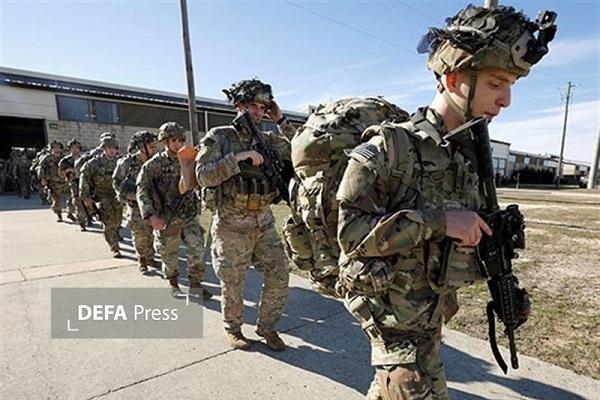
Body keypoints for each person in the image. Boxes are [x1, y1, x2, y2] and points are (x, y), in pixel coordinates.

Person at [335, 5, 556, 399]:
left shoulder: (467, 155)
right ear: (453, 78)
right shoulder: (390, 147)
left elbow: (471, 234)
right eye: (496, 83)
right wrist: (439, 222)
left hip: (431, 317)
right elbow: (351, 234)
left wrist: (503, 282)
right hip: (393, 322)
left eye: (510, 86)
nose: (506, 100)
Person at [195, 79, 295, 351]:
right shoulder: (220, 137)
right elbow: (202, 175)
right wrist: (238, 158)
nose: (258, 112)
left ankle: (267, 327)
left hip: (263, 223)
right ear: (238, 106)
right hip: (231, 226)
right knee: (233, 283)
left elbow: (303, 149)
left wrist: (282, 120)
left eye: (263, 107)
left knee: (279, 272)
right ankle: (233, 328)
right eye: (253, 105)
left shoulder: (269, 139)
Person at [136, 122, 211, 299]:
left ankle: (195, 284)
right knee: (169, 255)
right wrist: (151, 215)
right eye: (173, 140)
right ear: (165, 141)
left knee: (197, 250)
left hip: (189, 215)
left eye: (180, 140)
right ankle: (173, 283)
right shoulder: (154, 164)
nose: (177, 144)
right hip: (167, 217)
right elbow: (142, 189)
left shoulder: (190, 159)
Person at [113, 131, 161, 274]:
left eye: (155, 146)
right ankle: (142, 259)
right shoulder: (127, 163)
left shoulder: (156, 161)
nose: (154, 149)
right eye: (151, 146)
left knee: (151, 234)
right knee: (140, 235)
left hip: (154, 205)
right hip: (135, 206)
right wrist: (131, 196)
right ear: (141, 147)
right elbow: (116, 182)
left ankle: (150, 257)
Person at [80, 132, 124, 257]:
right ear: (104, 148)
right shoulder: (94, 163)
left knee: (117, 220)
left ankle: (114, 234)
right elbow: (84, 178)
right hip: (101, 195)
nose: (112, 150)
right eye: (109, 148)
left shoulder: (121, 162)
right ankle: (114, 247)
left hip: (117, 195)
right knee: (108, 221)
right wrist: (86, 197)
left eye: (114, 148)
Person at [38, 141, 68, 221]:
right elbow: (41, 168)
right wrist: (43, 179)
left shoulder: (65, 158)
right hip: (53, 182)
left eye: (58, 147)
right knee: (55, 200)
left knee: (73, 197)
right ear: (51, 149)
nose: (57, 149)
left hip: (65, 181)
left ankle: (71, 212)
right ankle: (59, 214)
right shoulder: (47, 158)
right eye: (54, 147)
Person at [59, 139, 84, 226]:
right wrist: (67, 170)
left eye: (77, 148)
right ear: (69, 149)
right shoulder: (65, 161)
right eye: (73, 148)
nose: (75, 150)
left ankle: (84, 217)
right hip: (70, 183)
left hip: (82, 183)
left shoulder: (83, 159)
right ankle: (81, 221)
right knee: (75, 201)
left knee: (82, 201)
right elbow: (60, 174)